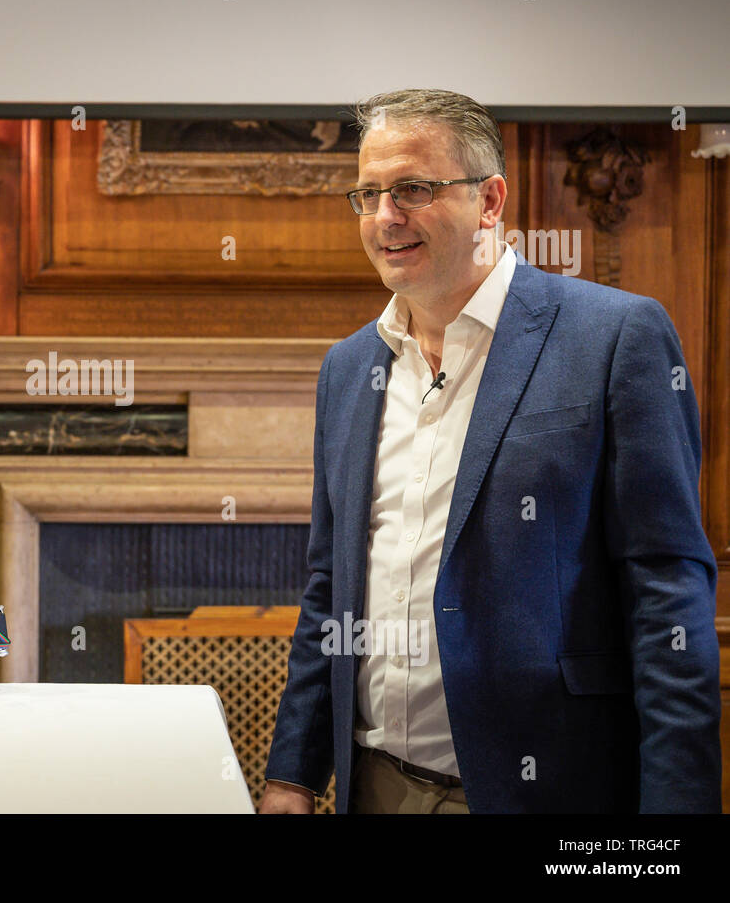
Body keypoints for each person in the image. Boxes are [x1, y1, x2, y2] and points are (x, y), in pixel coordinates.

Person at [261, 89, 720, 813]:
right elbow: (330, 588)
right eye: (369, 193)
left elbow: (668, 593)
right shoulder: (349, 370)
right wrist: (292, 772)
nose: (386, 217)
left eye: (412, 188)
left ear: (489, 199)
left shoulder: (615, 337)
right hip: (374, 787)